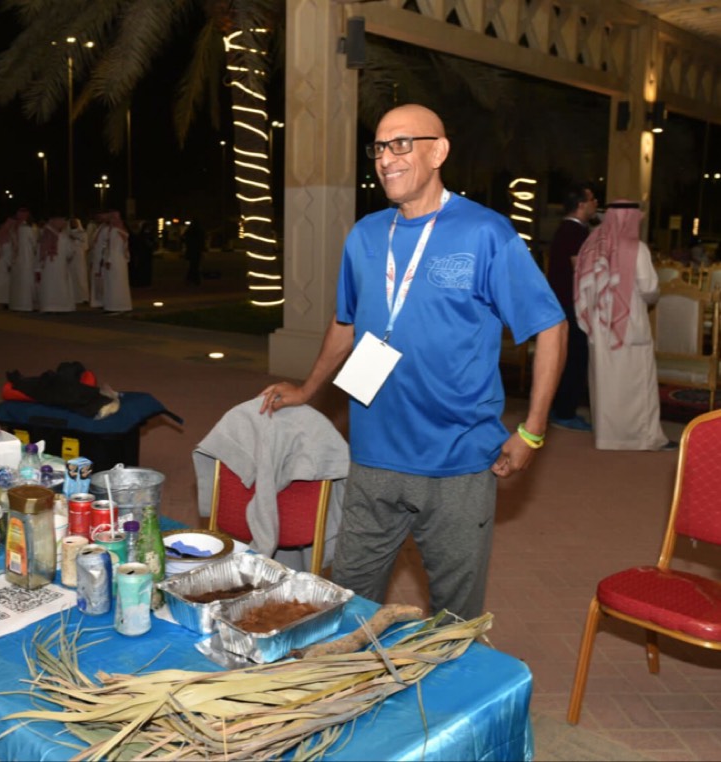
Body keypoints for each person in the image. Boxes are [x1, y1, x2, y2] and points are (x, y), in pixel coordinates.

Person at [259, 104, 565, 620]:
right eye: (379, 147)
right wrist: (308, 389)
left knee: (453, 620)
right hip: (373, 454)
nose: (386, 158)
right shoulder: (365, 235)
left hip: (457, 460)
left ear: (438, 151)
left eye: (401, 144)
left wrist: (533, 431)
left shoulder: (485, 233)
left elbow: (550, 326)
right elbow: (346, 322)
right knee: (347, 604)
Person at [574, 201, 670, 451]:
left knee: (606, 381)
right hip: (629, 323)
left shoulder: (592, 245)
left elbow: (581, 287)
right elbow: (649, 289)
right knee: (635, 381)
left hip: (599, 324)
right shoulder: (637, 248)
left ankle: (607, 436)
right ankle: (641, 438)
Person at [546, 185, 598, 431]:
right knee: (575, 358)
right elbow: (581, 270)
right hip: (571, 304)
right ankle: (565, 412)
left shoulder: (569, 229)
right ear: (581, 204)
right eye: (592, 199)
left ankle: (559, 408)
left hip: (563, 302)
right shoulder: (574, 231)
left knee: (566, 357)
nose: (596, 204)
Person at [93, 211, 133, 313]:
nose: (112, 220)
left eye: (115, 218)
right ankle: (111, 306)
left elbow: (115, 248)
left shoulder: (117, 231)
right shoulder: (112, 230)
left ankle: (118, 306)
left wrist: (109, 260)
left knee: (115, 284)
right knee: (110, 284)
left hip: (115, 261)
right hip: (114, 260)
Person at [36, 216, 75, 312]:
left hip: (56, 265)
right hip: (52, 266)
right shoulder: (62, 236)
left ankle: (54, 307)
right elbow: (70, 252)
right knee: (53, 284)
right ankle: (55, 307)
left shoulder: (48, 235)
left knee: (56, 284)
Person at [68, 217, 90, 303]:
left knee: (80, 277)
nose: (73, 224)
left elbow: (86, 246)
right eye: (72, 222)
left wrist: (75, 239)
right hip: (70, 259)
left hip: (79, 258)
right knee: (71, 277)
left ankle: (83, 297)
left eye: (74, 222)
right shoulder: (67, 233)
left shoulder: (83, 233)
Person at [183, 219, 206, 286]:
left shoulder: (189, 231)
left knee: (192, 265)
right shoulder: (200, 231)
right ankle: (195, 279)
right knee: (195, 265)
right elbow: (202, 241)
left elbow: (185, 239)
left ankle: (192, 279)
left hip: (191, 250)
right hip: (197, 250)